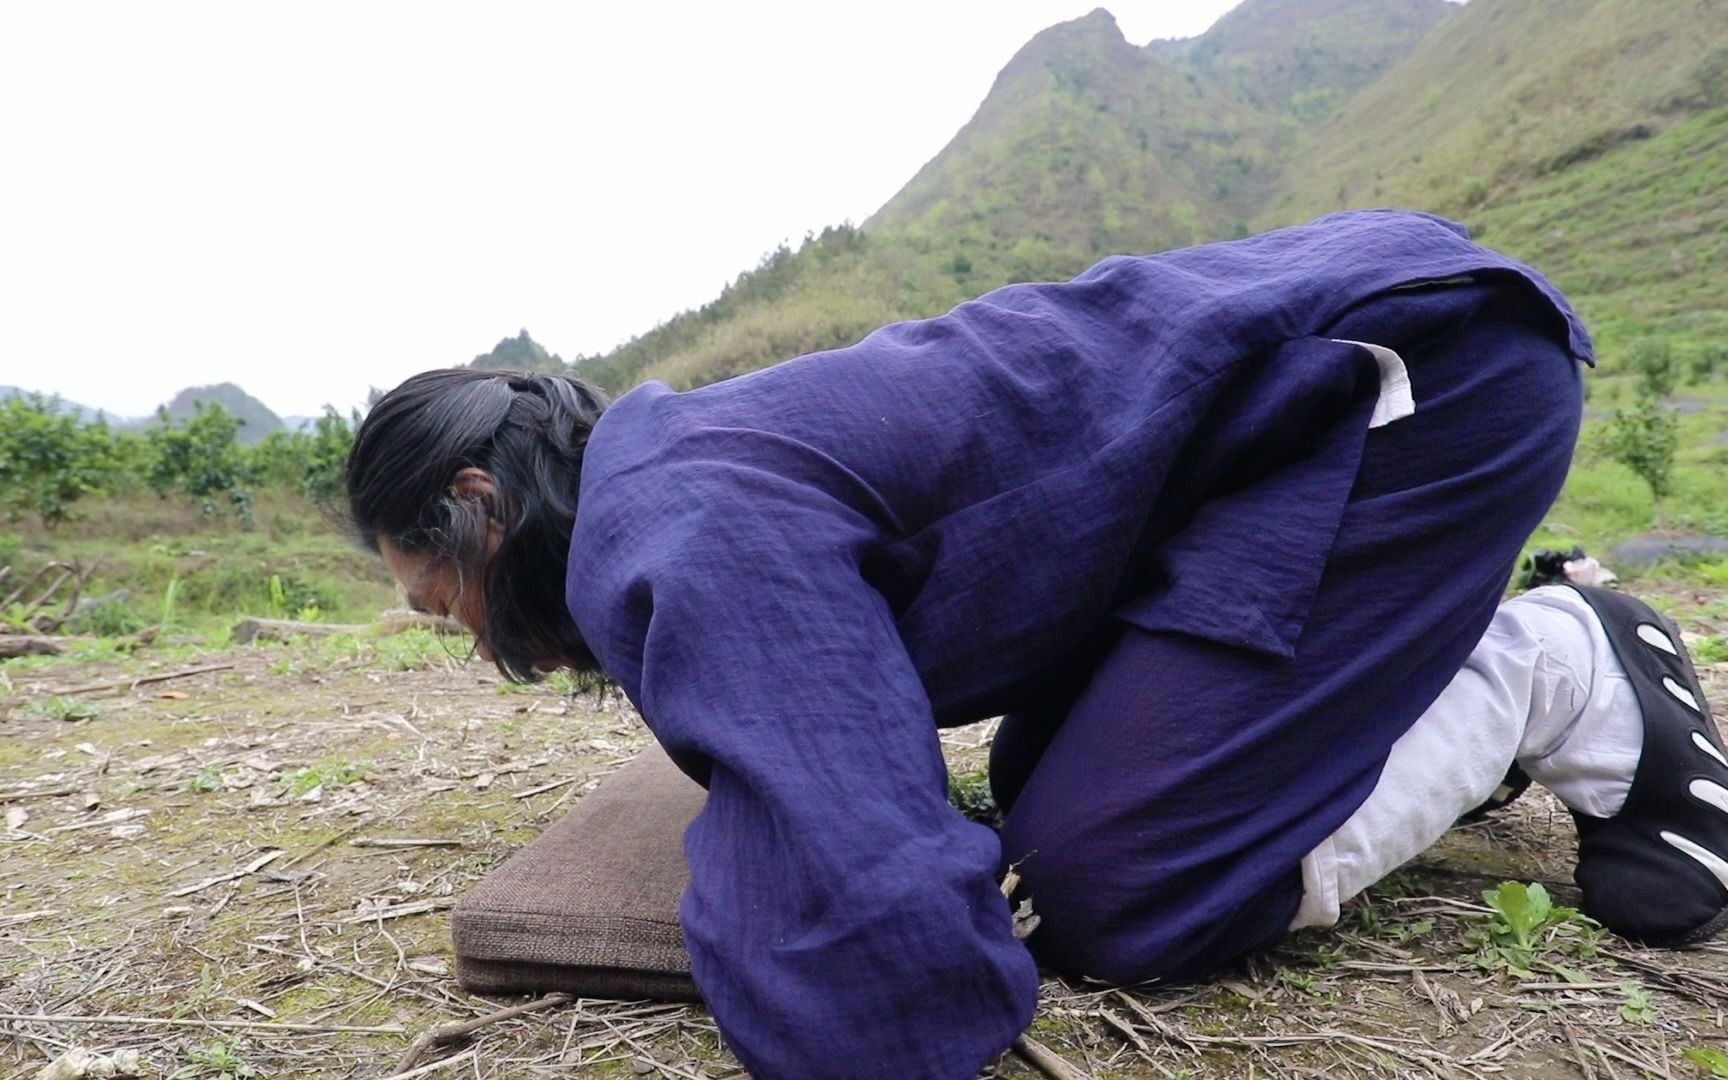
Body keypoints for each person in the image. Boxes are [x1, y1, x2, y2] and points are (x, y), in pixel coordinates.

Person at [345, 210, 1727, 1080]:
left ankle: (1555, 663)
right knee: (1043, 771)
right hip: (1307, 406)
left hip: (1414, 378)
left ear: (482, 512)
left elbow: (853, 865)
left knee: (1121, 884)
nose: (471, 644)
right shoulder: (672, 479)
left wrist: (863, 991)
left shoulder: (675, 527)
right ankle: (1401, 666)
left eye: (438, 600)